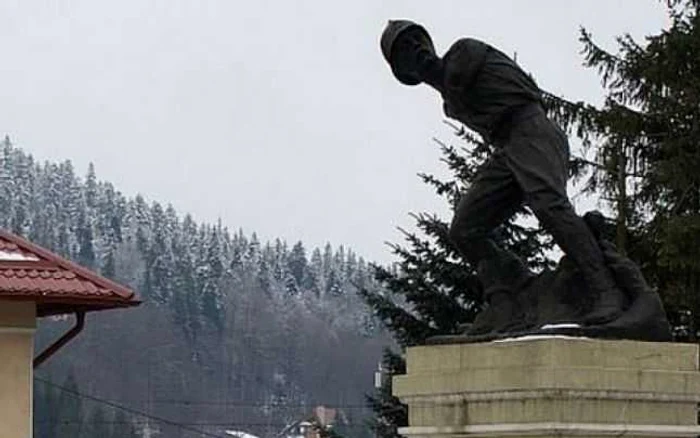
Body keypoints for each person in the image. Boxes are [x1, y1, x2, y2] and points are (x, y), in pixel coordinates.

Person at [380, 20, 625, 327]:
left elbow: (459, 80)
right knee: (465, 229)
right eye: (404, 49)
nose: (415, 48)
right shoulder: (450, 104)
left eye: (418, 39)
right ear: (403, 74)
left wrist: (435, 78)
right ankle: (508, 297)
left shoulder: (463, 52)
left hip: (531, 128)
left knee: (549, 205)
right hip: (507, 147)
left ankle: (606, 289)